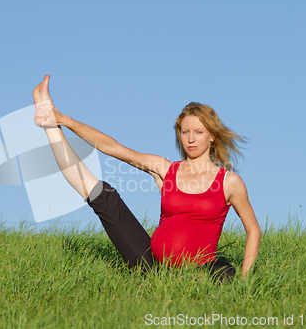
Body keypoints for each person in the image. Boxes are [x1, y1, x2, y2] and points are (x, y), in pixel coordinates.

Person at [33, 75, 261, 281]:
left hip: (200, 271)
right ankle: (50, 127)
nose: (191, 139)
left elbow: (253, 229)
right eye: (185, 132)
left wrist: (245, 278)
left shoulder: (228, 182)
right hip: (152, 268)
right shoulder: (165, 169)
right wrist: (63, 121)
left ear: (212, 136)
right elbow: (112, 147)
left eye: (199, 132)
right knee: (103, 196)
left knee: (223, 272)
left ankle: (198, 284)